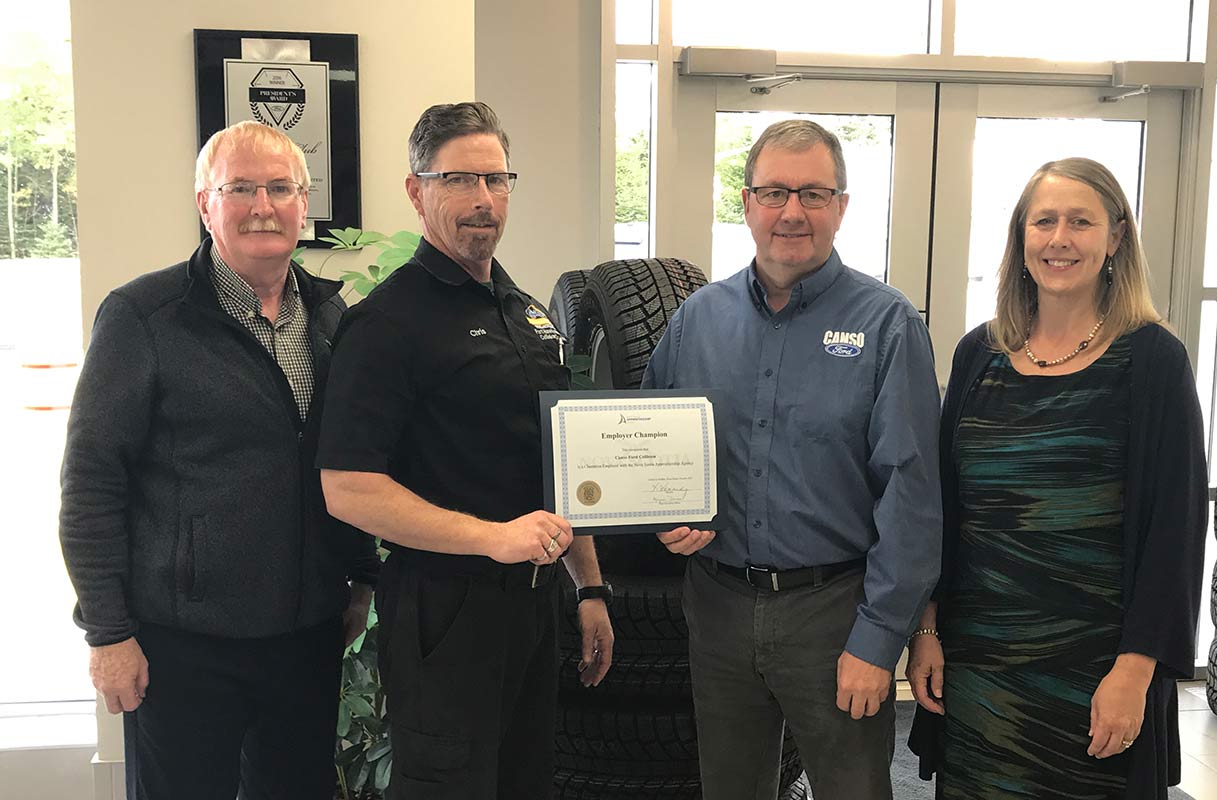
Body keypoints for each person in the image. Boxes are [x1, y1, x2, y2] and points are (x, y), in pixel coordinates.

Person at [58, 120, 378, 800]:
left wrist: (358, 576)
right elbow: (91, 482)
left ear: (305, 202)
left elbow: (345, 459)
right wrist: (108, 633)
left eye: (281, 188)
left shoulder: (331, 318)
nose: (263, 205)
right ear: (206, 204)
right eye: (240, 188)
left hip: (305, 639)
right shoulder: (144, 318)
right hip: (183, 648)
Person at [316, 101, 614, 800]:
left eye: (496, 179)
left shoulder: (527, 313)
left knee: (524, 783)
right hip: (444, 614)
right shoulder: (386, 325)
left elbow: (558, 467)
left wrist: (590, 585)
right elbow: (348, 487)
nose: (483, 199)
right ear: (417, 191)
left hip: (534, 606)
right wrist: (492, 538)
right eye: (459, 180)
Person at [643, 119, 943, 800]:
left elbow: (912, 497)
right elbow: (648, 439)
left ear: (841, 205)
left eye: (813, 192)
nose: (792, 212)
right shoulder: (698, 321)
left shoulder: (888, 325)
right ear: (746, 203)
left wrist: (878, 642)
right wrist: (665, 517)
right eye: (775, 191)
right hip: (717, 606)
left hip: (835, 613)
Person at [906, 157, 1208, 800]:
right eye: (1043, 222)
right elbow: (944, 511)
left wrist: (1136, 670)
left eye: (1080, 222)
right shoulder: (977, 354)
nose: (1059, 239)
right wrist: (926, 628)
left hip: (1094, 666)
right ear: (1021, 240)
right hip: (979, 661)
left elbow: (1175, 531)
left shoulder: (1153, 361)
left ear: (1116, 239)